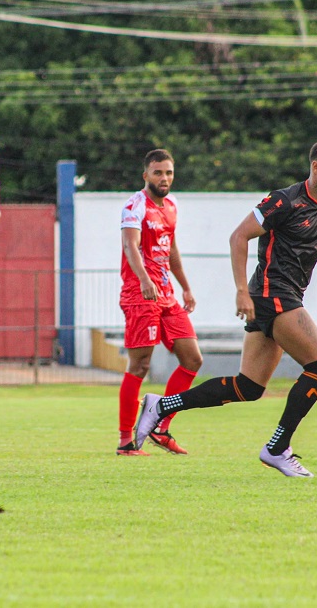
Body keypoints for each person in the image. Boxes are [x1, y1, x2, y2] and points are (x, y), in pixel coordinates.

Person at [134, 139, 317, 478]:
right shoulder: (284, 201)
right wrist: (241, 292)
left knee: (248, 387)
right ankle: (277, 448)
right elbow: (238, 236)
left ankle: (162, 405)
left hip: (285, 297)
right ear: (315, 167)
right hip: (272, 293)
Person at [116, 149, 202, 456]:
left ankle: (161, 426)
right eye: (157, 173)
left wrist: (186, 288)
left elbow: (172, 250)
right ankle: (126, 440)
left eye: (168, 173)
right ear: (146, 175)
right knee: (140, 365)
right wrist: (143, 278)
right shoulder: (135, 205)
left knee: (192, 359)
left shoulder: (172, 205)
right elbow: (130, 245)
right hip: (141, 295)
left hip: (166, 295)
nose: (164, 178)